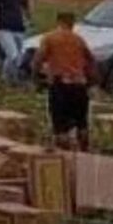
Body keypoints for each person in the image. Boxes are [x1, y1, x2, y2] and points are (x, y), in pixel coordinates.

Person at [32, 11, 98, 151]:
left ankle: (64, 155)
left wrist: (36, 77)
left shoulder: (49, 38)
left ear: (58, 22)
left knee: (60, 123)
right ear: (72, 23)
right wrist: (92, 82)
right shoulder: (79, 39)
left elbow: (38, 59)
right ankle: (84, 151)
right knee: (82, 122)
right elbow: (91, 60)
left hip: (60, 85)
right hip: (79, 85)